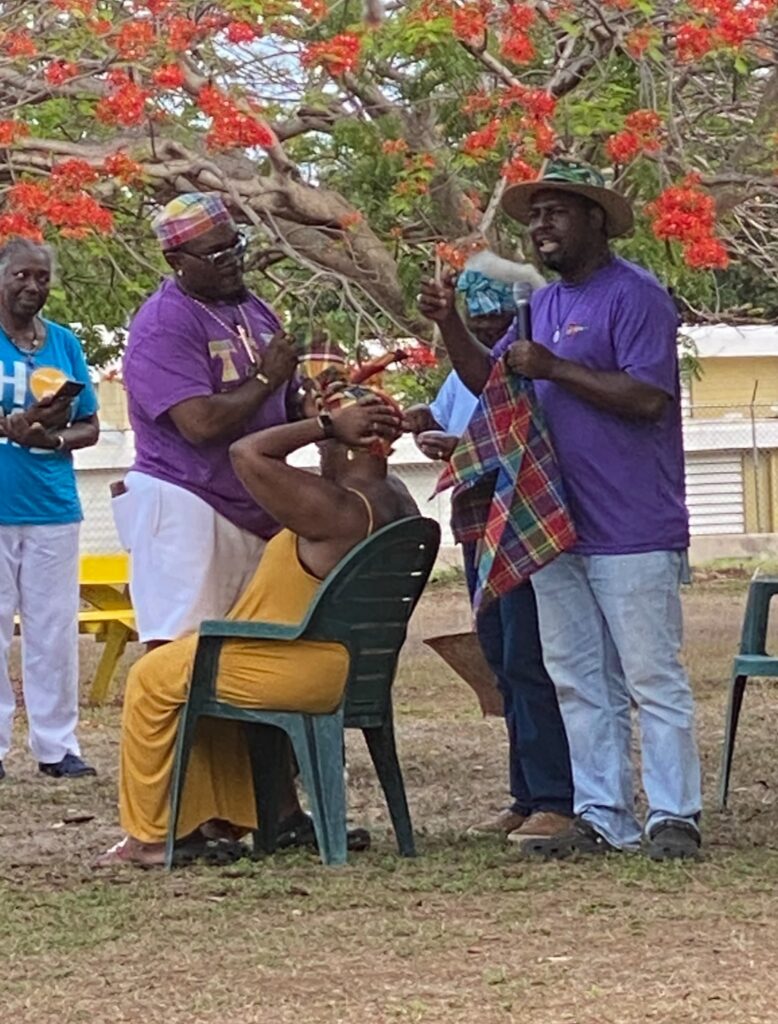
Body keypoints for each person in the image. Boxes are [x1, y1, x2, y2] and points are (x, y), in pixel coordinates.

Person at [420, 160, 701, 861]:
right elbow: (493, 382)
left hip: (632, 522)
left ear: (596, 220)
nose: (541, 226)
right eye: (534, 215)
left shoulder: (635, 297)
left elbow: (649, 399)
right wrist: (449, 322)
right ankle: (603, 812)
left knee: (650, 675)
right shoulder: (540, 305)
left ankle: (674, 815)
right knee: (576, 675)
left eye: (557, 212)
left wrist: (556, 369)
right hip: (551, 519)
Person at [95, 389, 418, 867]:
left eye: (328, 440)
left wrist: (325, 425)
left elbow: (245, 452)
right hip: (349, 668)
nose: (319, 450)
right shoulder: (397, 499)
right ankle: (239, 816)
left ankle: (150, 837)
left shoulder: (336, 507)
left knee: (152, 676)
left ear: (355, 439)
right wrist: (331, 423)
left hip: (299, 666)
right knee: (190, 667)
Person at [412, 256, 574, 843]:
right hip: (480, 529)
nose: (488, 332)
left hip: (522, 523)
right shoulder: (468, 368)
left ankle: (555, 795)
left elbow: (523, 434)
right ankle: (526, 794)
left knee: (530, 660)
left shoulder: (535, 355)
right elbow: (461, 411)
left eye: (496, 320)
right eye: (477, 323)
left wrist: (466, 447)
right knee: (503, 660)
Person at [114, 193, 299, 648]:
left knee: (250, 655)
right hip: (185, 502)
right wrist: (266, 376)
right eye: (217, 254)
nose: (233, 262)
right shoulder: (163, 324)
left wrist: (318, 407)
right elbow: (199, 424)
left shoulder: (253, 308)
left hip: (258, 503)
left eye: (236, 246)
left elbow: (281, 407)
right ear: (175, 259)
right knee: (182, 655)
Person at [0, 238, 100, 780]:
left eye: (41, 277)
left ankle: (57, 746)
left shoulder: (62, 342)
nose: (32, 286)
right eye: (21, 275)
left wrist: (52, 439)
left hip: (52, 507)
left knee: (53, 630)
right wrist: (8, 426)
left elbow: (89, 424)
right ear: (1, 277)